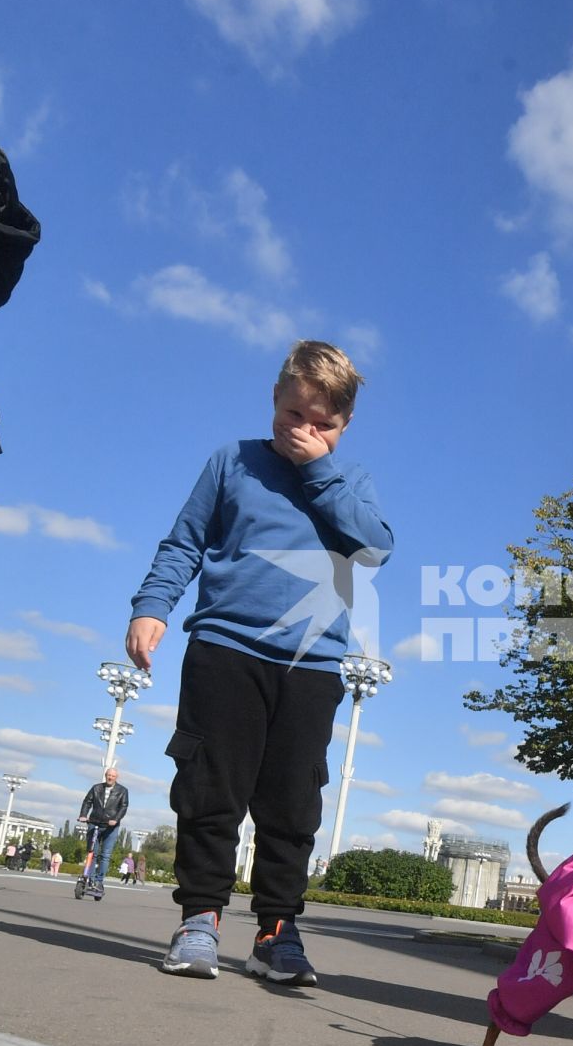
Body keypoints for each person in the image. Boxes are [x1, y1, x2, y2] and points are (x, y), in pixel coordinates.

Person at [128, 340, 393, 983]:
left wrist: (319, 472)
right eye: (291, 414)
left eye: (321, 423)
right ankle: (199, 920)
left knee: (292, 801)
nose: (303, 431)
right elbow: (184, 541)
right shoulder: (232, 462)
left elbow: (376, 550)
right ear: (274, 397)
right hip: (225, 646)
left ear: (344, 424)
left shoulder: (348, 480)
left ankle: (277, 931)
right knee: (211, 785)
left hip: (313, 661)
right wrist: (152, 605)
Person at [76, 768, 130, 897]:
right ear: (105, 776)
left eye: (113, 776)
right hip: (94, 822)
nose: (110, 777)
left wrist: (115, 820)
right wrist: (83, 815)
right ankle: (89, 878)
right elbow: (87, 802)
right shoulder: (96, 788)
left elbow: (123, 807)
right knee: (92, 853)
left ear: (117, 777)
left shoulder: (122, 791)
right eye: (108, 775)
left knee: (105, 855)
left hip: (110, 826)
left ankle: (99, 881)